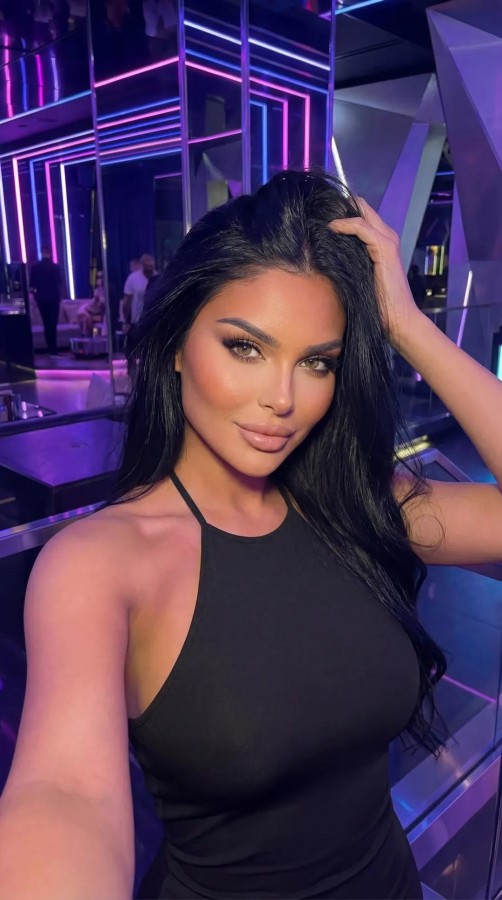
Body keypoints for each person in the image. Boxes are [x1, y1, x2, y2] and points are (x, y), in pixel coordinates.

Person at [1, 170, 502, 900]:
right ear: (176, 345)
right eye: (245, 347)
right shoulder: (99, 564)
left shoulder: (360, 508)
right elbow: (64, 796)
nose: (282, 398)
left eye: (317, 362)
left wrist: (409, 329)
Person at [29, 245, 62, 357]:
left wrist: (35, 296)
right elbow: (59, 283)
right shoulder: (55, 267)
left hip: (41, 299)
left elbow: (32, 285)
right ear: (50, 253)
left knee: (46, 323)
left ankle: (50, 348)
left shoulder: (35, 267)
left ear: (41, 253)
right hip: (53, 299)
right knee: (52, 324)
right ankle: (53, 349)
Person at [77, 272, 106, 336]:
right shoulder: (97, 290)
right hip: (88, 310)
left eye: (101, 277)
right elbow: (94, 303)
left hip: (98, 314)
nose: (100, 279)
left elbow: (103, 305)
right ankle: (87, 335)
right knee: (84, 316)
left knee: (87, 319)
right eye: (98, 277)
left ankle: (86, 334)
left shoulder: (108, 291)